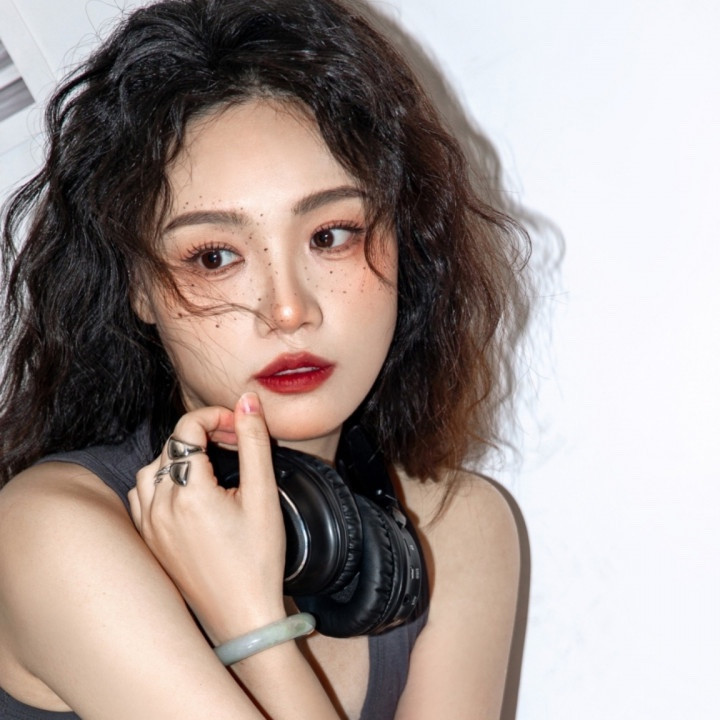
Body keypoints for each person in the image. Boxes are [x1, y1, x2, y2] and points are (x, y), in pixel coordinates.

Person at [0, 0, 528, 717]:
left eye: (331, 235)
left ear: (407, 241)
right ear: (138, 289)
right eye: (214, 257)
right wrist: (256, 629)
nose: (288, 309)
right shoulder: (51, 533)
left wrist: (252, 622)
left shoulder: (457, 531)